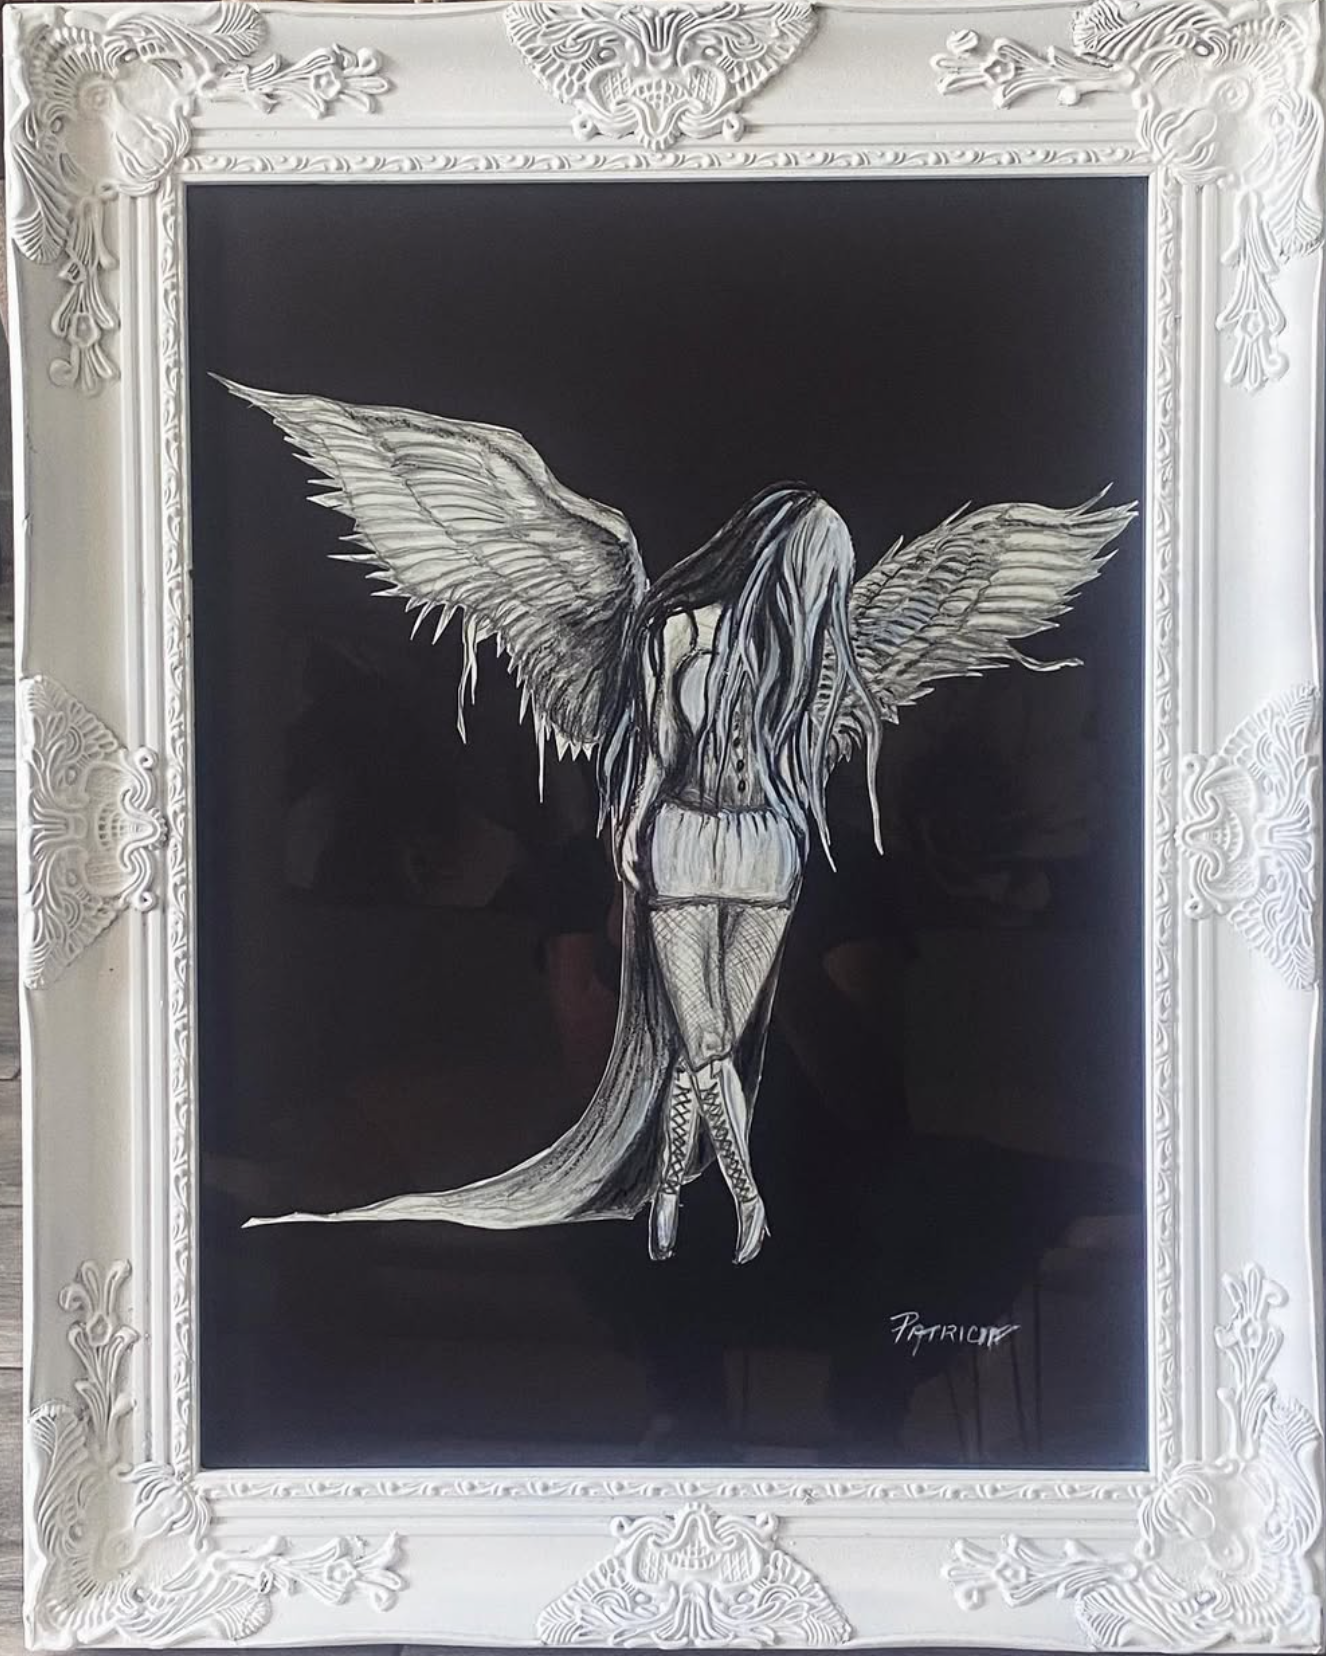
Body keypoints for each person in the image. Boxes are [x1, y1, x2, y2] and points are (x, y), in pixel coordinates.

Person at [601, 486, 881, 1261]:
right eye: (818, 569)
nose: (822, 588)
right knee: (707, 1039)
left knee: (709, 1042)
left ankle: (668, 1190)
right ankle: (743, 1195)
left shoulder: (803, 648)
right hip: (693, 837)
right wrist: (633, 824)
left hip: (762, 846)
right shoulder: (682, 628)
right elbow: (658, 743)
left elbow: (804, 758)